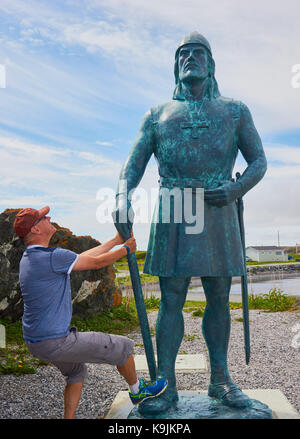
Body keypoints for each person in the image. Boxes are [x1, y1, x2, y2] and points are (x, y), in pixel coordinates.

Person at [113, 32, 267, 415]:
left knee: (218, 297)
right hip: (174, 208)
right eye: (183, 54)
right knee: (171, 299)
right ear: (175, 64)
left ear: (211, 63)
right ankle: (165, 384)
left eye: (199, 53)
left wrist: (236, 190)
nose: (190, 59)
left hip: (218, 209)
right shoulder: (157, 114)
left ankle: (221, 380)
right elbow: (132, 167)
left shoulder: (235, 111)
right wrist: (121, 197)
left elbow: (259, 162)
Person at [14, 206, 168, 419]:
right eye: (42, 217)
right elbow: (96, 263)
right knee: (122, 347)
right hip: (55, 340)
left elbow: (82, 257)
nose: (48, 217)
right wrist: (126, 249)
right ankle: (137, 390)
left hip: (35, 341)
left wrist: (116, 241)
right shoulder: (50, 258)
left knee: (76, 372)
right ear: (36, 229)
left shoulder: (32, 257)